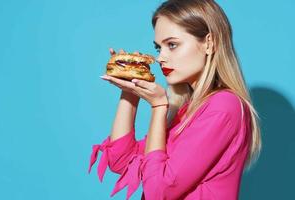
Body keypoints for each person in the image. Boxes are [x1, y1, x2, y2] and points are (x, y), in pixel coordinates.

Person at [89, 0, 262, 199]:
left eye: (172, 45)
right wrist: (130, 90)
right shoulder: (187, 111)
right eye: (158, 48)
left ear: (209, 43)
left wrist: (159, 105)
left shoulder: (224, 106)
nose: (160, 58)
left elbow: (158, 191)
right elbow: (120, 160)